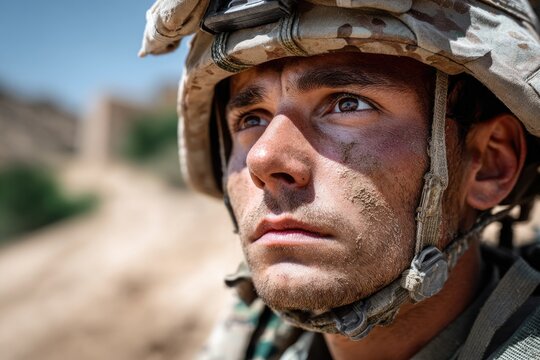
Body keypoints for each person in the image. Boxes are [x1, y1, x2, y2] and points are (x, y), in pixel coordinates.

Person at [140, 0, 540, 358]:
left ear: (489, 163)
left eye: (348, 104)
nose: (264, 158)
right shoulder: (247, 341)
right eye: (251, 119)